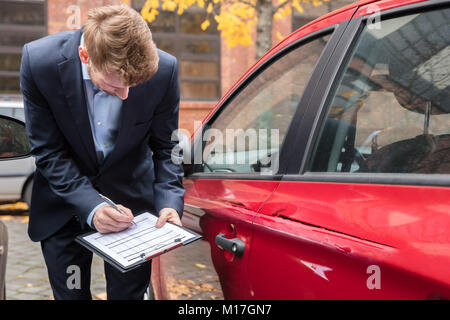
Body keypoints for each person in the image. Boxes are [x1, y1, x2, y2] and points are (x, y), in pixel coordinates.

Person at [19, 5, 185, 300]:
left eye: (133, 86)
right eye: (114, 86)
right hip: (64, 209)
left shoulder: (165, 70)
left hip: (133, 213)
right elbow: (48, 152)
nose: (125, 96)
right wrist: (92, 207)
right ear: (86, 57)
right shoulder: (39, 62)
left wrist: (169, 202)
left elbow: (166, 147)